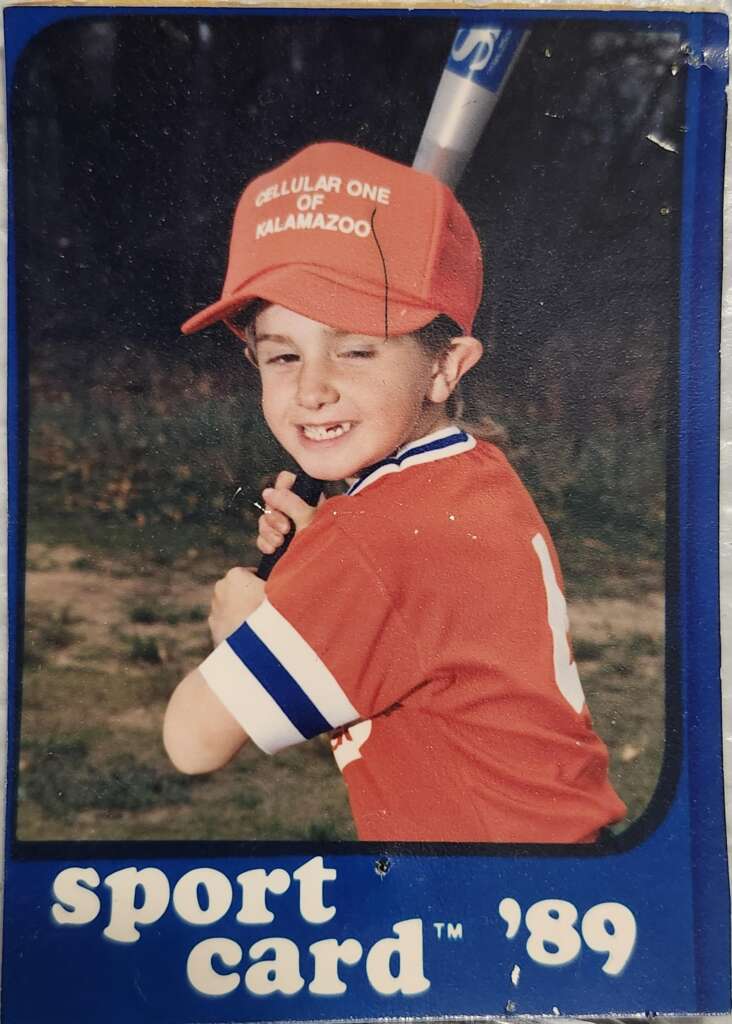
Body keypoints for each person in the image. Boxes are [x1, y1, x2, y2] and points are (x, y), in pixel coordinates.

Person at [164, 141, 626, 843]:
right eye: (282, 354)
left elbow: (191, 742)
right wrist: (320, 559)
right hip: (557, 872)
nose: (313, 388)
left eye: (355, 349)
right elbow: (414, 623)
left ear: (445, 368)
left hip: (480, 899)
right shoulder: (473, 478)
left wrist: (245, 627)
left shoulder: (375, 543)